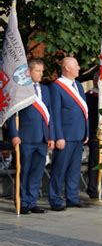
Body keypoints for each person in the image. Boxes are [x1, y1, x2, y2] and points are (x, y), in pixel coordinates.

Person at [8, 58, 55, 214]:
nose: (41, 74)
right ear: (29, 72)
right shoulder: (20, 89)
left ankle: (32, 200)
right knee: (24, 171)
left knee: (37, 172)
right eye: (38, 71)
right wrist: (14, 134)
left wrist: (51, 136)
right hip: (25, 138)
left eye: (42, 71)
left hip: (42, 138)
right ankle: (21, 202)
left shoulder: (45, 90)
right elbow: (12, 113)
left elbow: (50, 115)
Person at [49, 57, 89, 211]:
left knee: (74, 169)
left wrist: (85, 131)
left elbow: (84, 111)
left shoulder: (78, 85)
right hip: (65, 136)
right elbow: (55, 114)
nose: (79, 68)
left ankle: (72, 197)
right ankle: (55, 198)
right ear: (66, 68)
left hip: (78, 134)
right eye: (76, 65)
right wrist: (58, 136)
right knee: (59, 169)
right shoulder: (57, 87)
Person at [85, 71, 102, 200]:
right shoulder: (89, 97)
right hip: (95, 133)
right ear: (96, 81)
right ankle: (94, 189)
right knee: (95, 162)